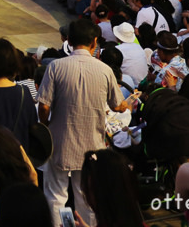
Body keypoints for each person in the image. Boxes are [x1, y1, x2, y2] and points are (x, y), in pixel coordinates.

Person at [38, 18, 136, 227]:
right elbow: (117, 105)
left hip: (59, 142)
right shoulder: (105, 70)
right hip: (92, 145)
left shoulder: (56, 67)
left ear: (69, 41)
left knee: (56, 197)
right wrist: (126, 106)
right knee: (87, 198)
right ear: (94, 42)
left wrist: (45, 125)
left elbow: (44, 106)